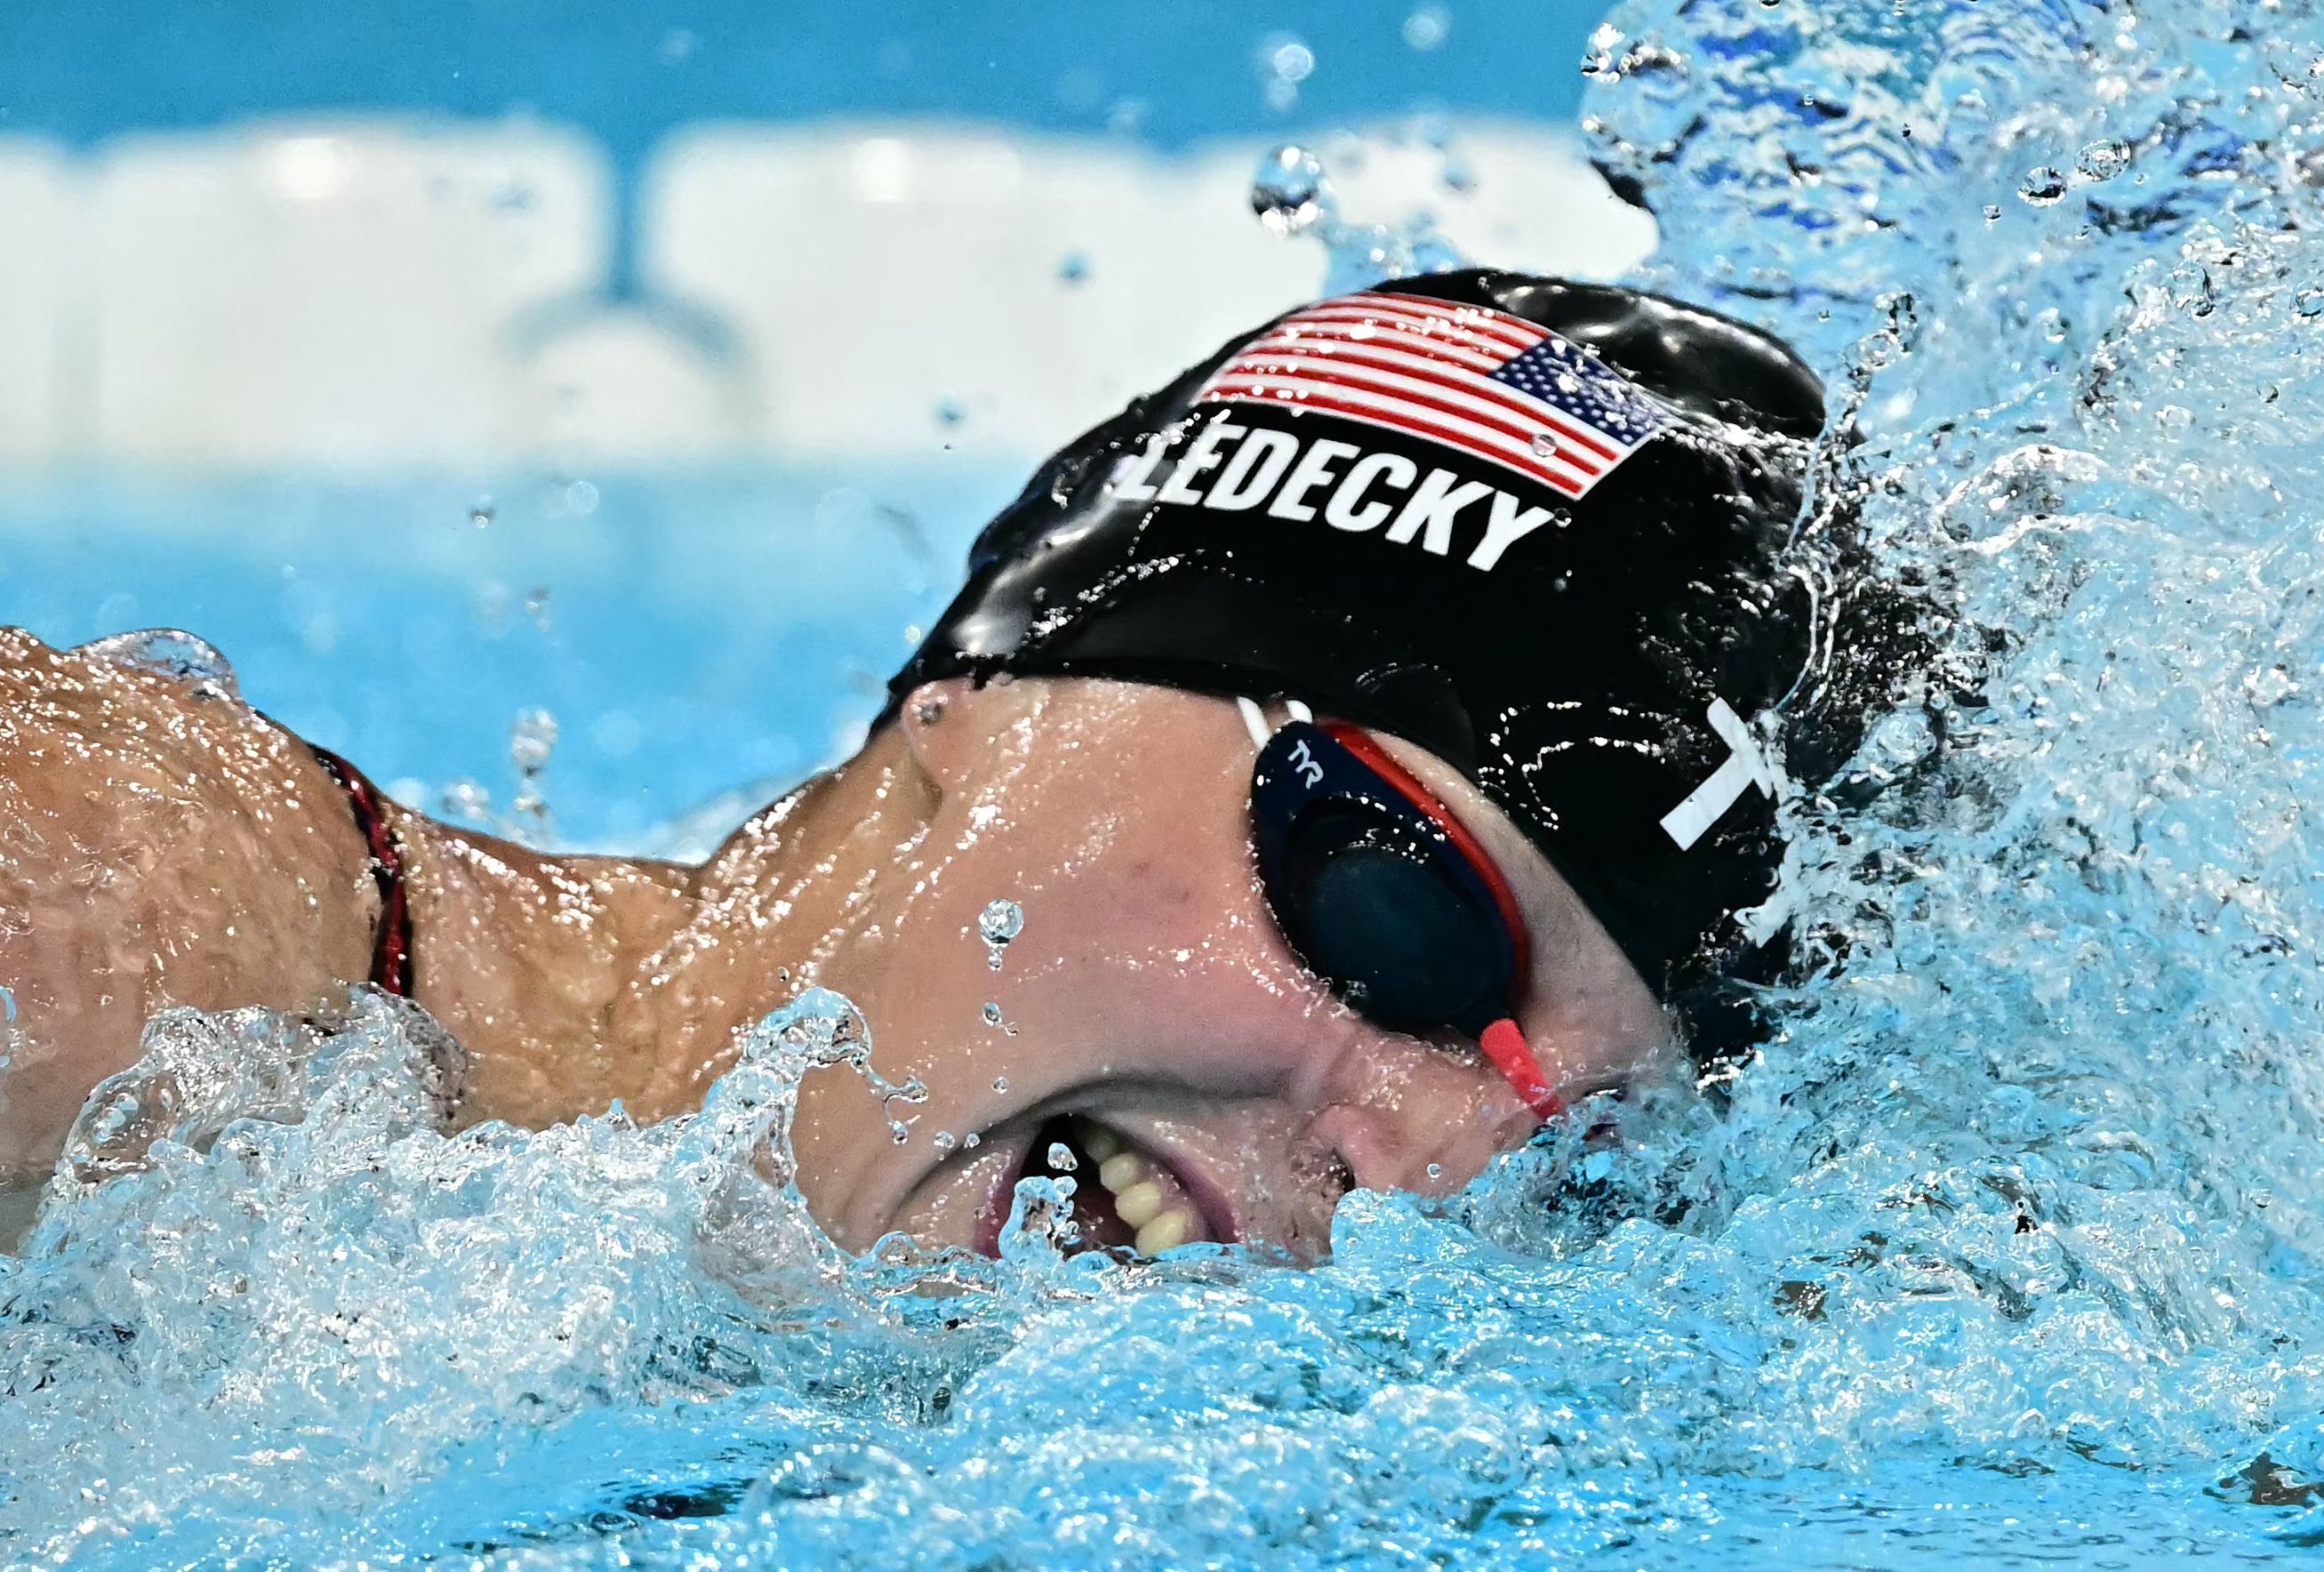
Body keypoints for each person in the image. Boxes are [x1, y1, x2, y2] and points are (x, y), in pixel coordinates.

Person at [0, 270, 1895, 1260]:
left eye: (1573, 1162)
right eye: (1402, 921)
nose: (1420, 1165)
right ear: (996, 692)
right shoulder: (151, 960)